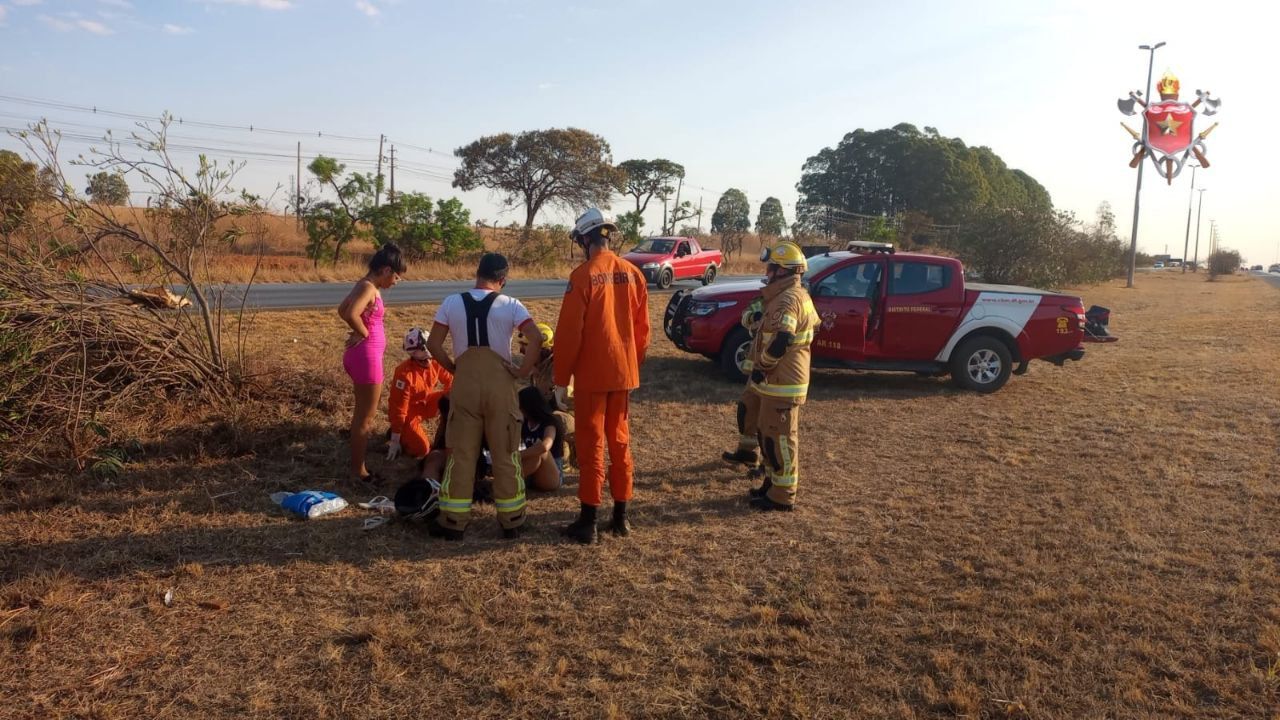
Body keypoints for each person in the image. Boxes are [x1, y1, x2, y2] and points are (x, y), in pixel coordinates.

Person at [425, 253, 542, 540]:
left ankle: (452, 521)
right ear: (502, 279)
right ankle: (512, 520)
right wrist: (521, 371)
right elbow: (537, 338)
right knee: (505, 453)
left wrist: (453, 366)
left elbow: (433, 343)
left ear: (477, 274)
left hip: (465, 385)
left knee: (462, 454)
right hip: (500, 385)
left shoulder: (451, 302)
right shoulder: (511, 304)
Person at [554, 208, 650, 544]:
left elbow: (568, 335)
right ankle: (622, 517)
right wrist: (630, 365)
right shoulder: (633, 273)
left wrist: (560, 377)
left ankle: (588, 521)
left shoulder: (582, 276)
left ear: (584, 239)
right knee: (620, 442)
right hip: (623, 373)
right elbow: (643, 331)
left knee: (591, 443)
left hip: (593, 375)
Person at [722, 241, 819, 511]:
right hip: (779, 382)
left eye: (771, 266)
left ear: (782, 270)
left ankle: (783, 495)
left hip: (783, 381)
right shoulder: (789, 295)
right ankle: (773, 485)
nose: (767, 270)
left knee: (781, 440)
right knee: (769, 436)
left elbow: (782, 340)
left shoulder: (788, 300)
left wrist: (762, 365)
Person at [337, 243, 405, 484]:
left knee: (361, 416)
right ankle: (359, 471)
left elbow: (341, 309)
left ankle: (358, 465)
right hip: (366, 357)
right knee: (365, 419)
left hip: (361, 356)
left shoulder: (363, 284)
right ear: (386, 270)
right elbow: (350, 313)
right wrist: (364, 333)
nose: (396, 282)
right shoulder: (369, 288)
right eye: (396, 276)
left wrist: (360, 330)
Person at [386, 327, 453, 463]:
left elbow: (450, 380)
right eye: (423, 361)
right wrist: (394, 440)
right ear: (414, 356)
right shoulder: (404, 375)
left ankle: (444, 437)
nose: (428, 363)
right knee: (422, 450)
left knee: (453, 397)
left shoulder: (434, 362)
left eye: (430, 358)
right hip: (409, 412)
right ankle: (397, 433)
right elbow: (399, 408)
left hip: (425, 402)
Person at [517, 321, 575, 465]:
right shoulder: (538, 369)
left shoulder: (558, 368)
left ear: (540, 350)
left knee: (554, 419)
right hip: (553, 413)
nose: (522, 353)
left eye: (526, 349)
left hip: (571, 417)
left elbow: (563, 404)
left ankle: (568, 451)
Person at [518, 386, 564, 492]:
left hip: (551, 474)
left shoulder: (550, 422)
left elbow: (545, 446)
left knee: (539, 451)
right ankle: (511, 480)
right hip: (532, 470)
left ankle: (509, 482)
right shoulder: (524, 423)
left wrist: (518, 455)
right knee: (534, 455)